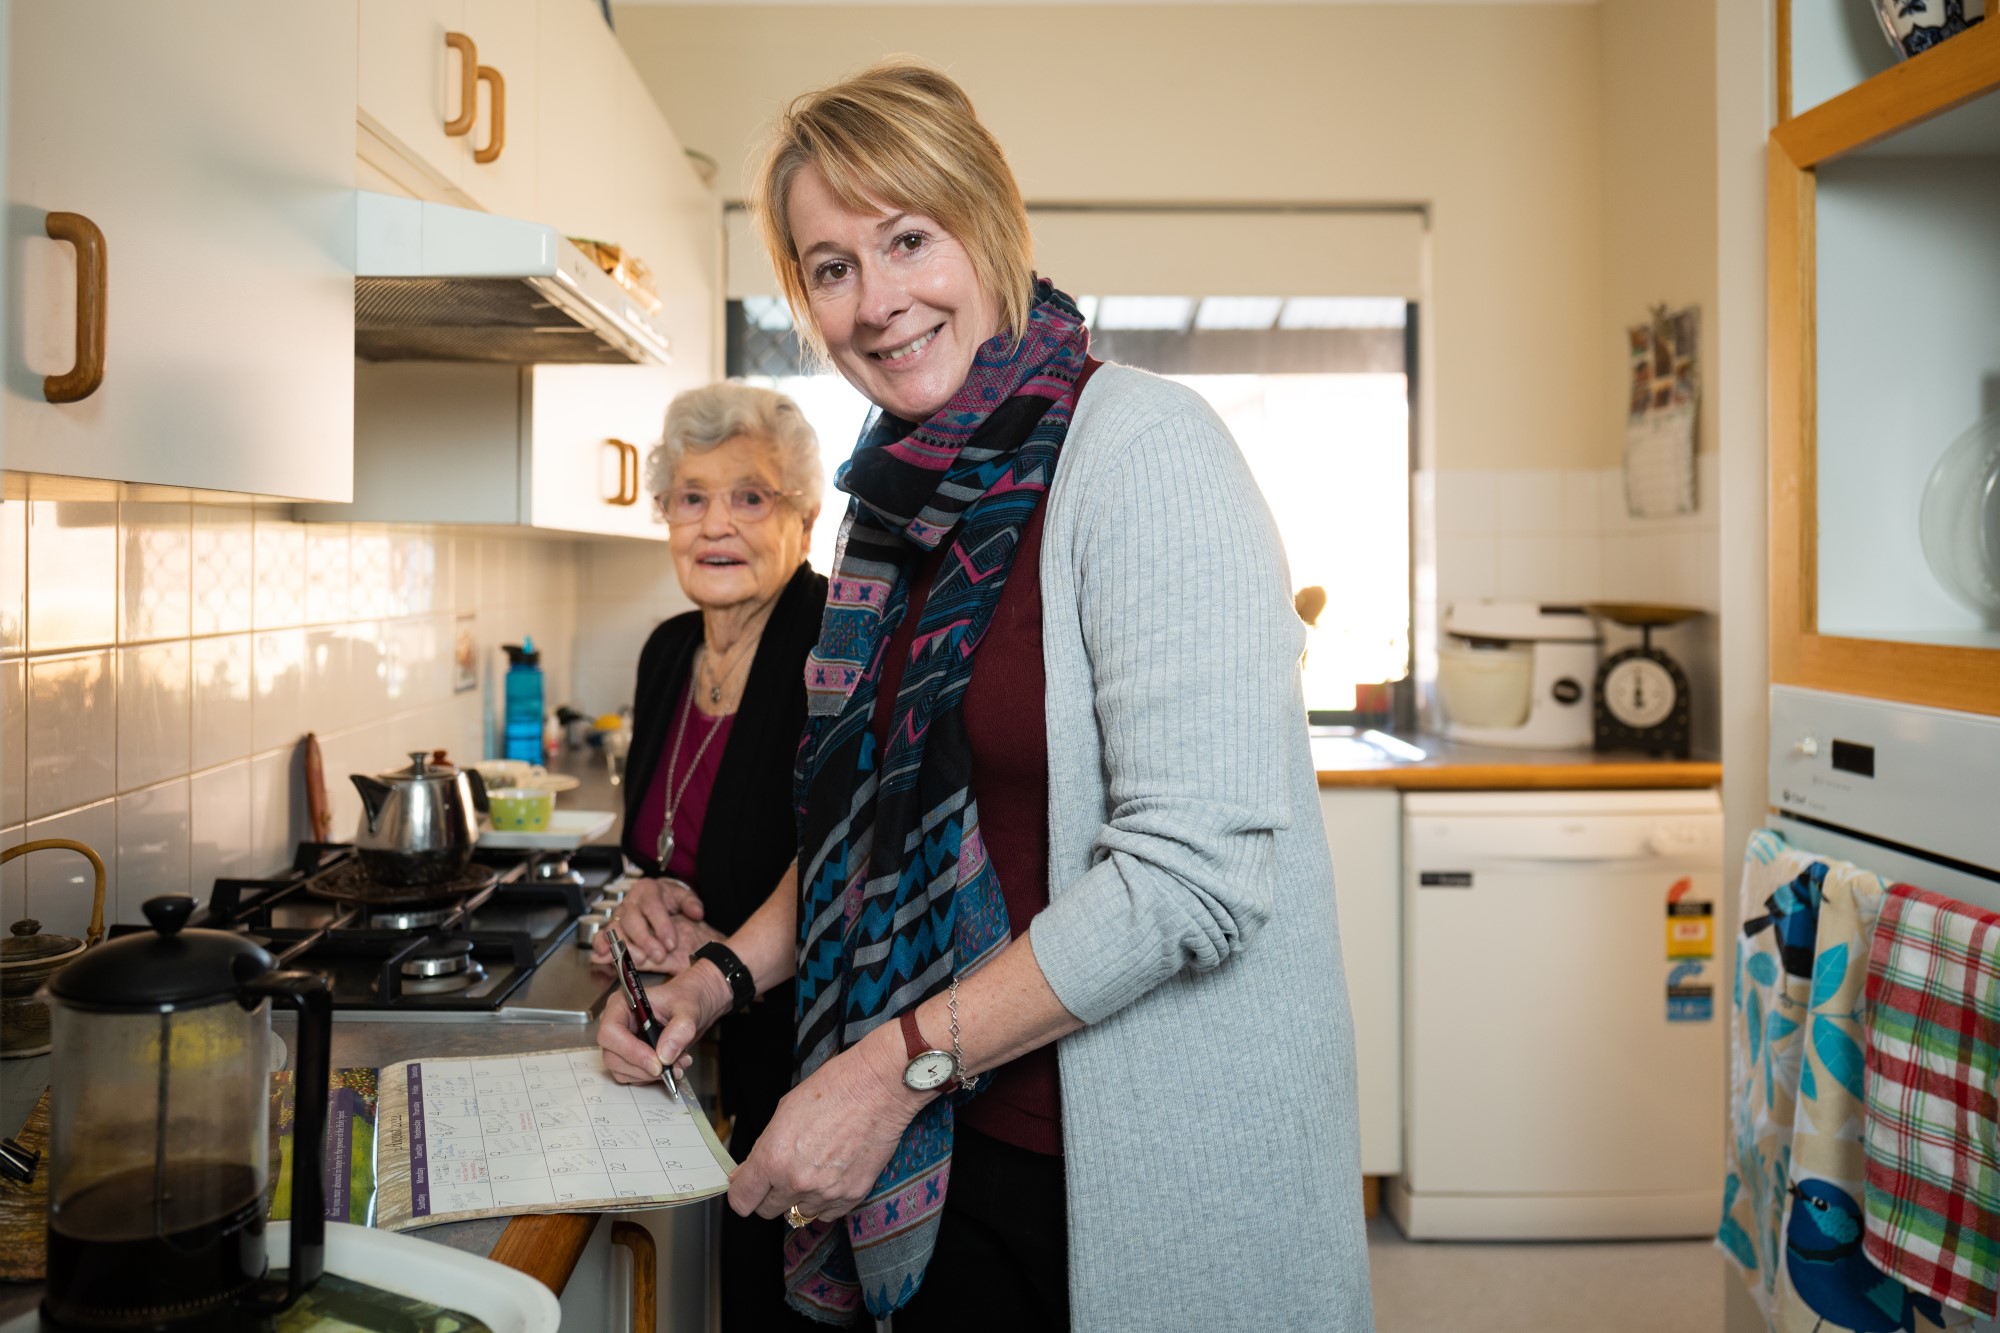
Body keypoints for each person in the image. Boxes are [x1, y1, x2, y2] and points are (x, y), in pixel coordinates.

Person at [599, 60, 1374, 1331]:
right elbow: (858, 833)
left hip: (1114, 1159)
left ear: (989, 229)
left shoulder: (1143, 451)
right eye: (831, 266)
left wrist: (893, 1066)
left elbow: (1193, 873)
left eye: (908, 238)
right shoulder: (891, 518)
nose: (878, 301)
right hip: (945, 1146)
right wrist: (718, 981)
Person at [588, 381, 828, 1331]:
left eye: (751, 496)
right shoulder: (665, 652)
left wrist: (714, 941)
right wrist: (646, 891)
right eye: (692, 497)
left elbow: (837, 862)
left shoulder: (829, 646)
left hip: (799, 1049)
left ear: (804, 519)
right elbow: (653, 845)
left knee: (780, 1296)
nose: (715, 524)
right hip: (689, 1037)